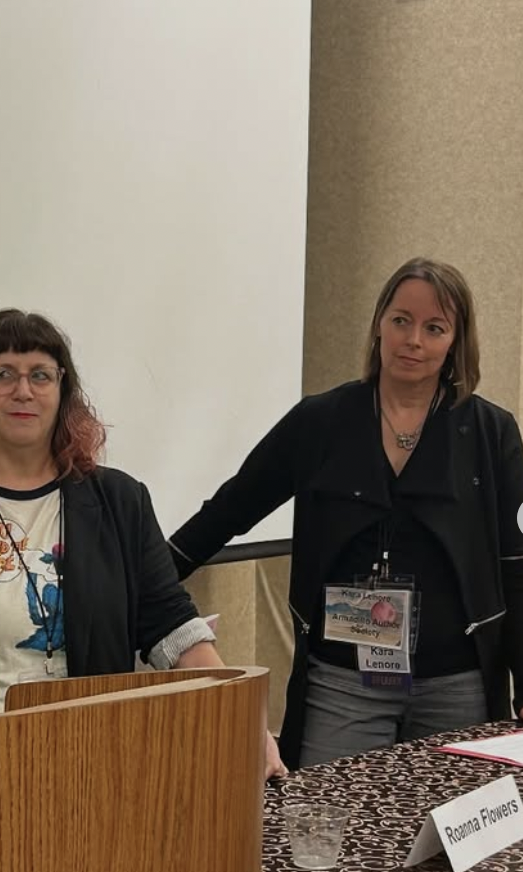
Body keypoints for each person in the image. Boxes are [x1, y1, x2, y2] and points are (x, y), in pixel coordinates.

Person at [0, 308, 285, 779]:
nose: (23, 391)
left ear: (62, 390)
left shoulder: (120, 501)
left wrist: (246, 724)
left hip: (95, 765)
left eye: (40, 375)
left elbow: (173, 628)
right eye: (3, 374)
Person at [167, 257, 523, 769]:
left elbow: (516, 566)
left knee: (450, 821)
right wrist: (147, 582)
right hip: (342, 684)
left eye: (434, 328)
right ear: (379, 324)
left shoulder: (492, 433)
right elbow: (229, 510)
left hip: (455, 684)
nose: (413, 340)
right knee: (329, 815)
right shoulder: (319, 422)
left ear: (455, 343)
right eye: (401, 320)